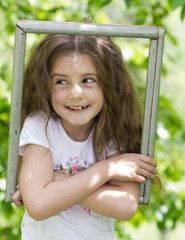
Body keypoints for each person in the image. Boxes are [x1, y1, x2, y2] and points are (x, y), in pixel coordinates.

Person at [12, 34, 157, 240]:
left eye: (88, 80)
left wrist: (57, 181)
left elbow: (125, 206)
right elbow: (38, 205)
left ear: (108, 84)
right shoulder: (40, 125)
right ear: (46, 86)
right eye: (61, 81)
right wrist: (105, 171)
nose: (76, 93)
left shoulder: (112, 132)